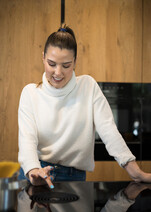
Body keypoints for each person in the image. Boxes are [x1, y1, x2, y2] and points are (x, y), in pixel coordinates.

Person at [18, 25, 151, 189]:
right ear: (43, 58)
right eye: (52, 64)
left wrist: (135, 172)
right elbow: (27, 140)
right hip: (38, 173)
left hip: (74, 177)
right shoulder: (30, 93)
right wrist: (33, 169)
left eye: (66, 65)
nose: (58, 72)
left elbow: (109, 131)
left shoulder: (88, 86)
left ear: (75, 62)